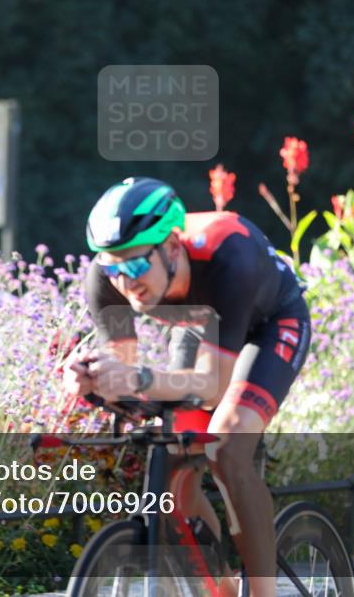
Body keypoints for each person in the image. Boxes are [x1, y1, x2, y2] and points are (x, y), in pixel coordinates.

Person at [63, 177, 311, 597]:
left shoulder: (229, 256)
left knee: (227, 446)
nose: (125, 280)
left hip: (272, 324)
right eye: (114, 268)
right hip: (203, 327)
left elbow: (212, 387)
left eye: (137, 265)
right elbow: (125, 378)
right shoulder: (106, 279)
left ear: (173, 247)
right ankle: (221, 584)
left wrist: (141, 378)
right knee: (173, 460)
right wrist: (92, 380)